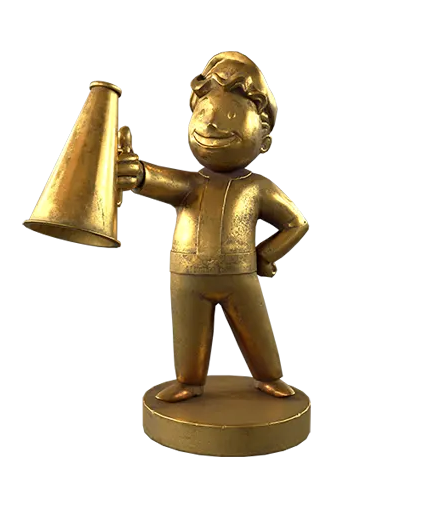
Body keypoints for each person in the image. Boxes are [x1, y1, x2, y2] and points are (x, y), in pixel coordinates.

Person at [117, 51, 308, 403]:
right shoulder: (190, 183)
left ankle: (269, 376)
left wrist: (264, 255)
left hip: (239, 275)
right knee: (188, 332)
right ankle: (188, 381)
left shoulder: (257, 187)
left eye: (231, 115)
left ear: (264, 139)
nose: (211, 125)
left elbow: (295, 223)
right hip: (186, 273)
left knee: (256, 332)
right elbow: (156, 180)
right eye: (203, 113)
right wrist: (138, 173)